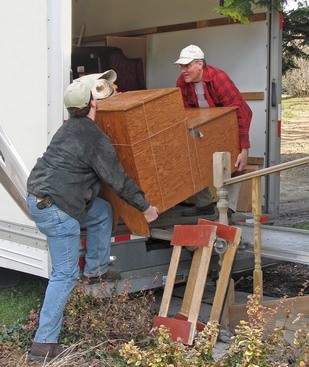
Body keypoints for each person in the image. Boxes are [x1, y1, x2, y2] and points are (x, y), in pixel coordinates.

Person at [26, 80, 158, 361]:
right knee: (64, 275)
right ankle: (43, 344)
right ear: (93, 104)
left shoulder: (67, 128)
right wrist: (145, 207)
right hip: (57, 208)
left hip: (39, 197)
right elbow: (117, 179)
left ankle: (96, 270)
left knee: (101, 212)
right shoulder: (95, 138)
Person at [174, 44, 252, 223]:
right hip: (205, 125)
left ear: (199, 64)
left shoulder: (218, 78)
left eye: (187, 66)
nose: (183, 70)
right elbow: (185, 113)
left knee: (235, 163)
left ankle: (229, 209)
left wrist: (244, 148)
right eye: (181, 66)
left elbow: (239, 112)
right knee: (192, 158)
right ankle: (204, 205)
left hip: (230, 124)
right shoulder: (182, 83)